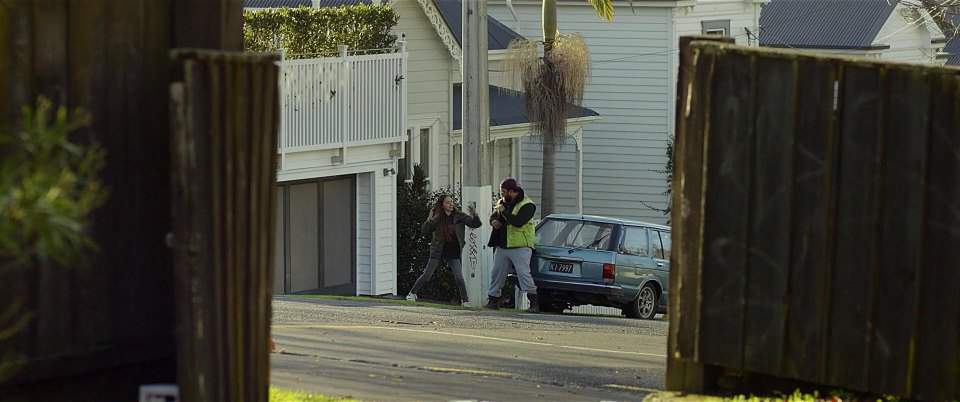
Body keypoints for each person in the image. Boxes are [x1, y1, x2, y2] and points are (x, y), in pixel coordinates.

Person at [406, 195, 481, 305]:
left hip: (453, 251)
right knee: (427, 274)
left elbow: (476, 224)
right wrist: (429, 219)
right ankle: (412, 294)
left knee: (459, 277)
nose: (451, 204)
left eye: (452, 202)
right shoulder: (438, 217)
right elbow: (425, 230)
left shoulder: (459, 216)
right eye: (448, 202)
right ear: (442, 205)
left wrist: (474, 214)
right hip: (438, 250)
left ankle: (465, 301)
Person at [484, 178, 539, 312]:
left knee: (523, 274)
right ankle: (493, 300)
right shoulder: (502, 202)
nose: (501, 194)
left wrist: (504, 211)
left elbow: (518, 222)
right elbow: (494, 216)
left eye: (503, 191)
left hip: (520, 245)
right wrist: (493, 221)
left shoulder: (528, 205)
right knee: (497, 273)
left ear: (512, 191)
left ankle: (534, 303)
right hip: (502, 244)